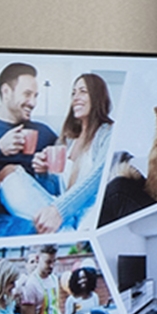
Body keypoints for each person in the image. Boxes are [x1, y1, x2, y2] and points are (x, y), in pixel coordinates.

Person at [32, 71, 134, 236]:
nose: (76, 97)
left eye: (83, 91)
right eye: (73, 93)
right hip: (63, 214)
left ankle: (65, 233)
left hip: (87, 215)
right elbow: (58, 189)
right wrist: (43, 173)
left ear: (97, 96)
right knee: (12, 175)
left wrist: (59, 210)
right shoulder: (69, 140)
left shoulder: (108, 133)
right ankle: (64, 232)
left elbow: (96, 177)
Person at [0, 63, 61, 238]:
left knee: (28, 228)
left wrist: (44, 173)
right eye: (27, 94)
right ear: (6, 91)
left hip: (30, 215)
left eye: (35, 96)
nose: (33, 103)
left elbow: (55, 187)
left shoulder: (44, 133)